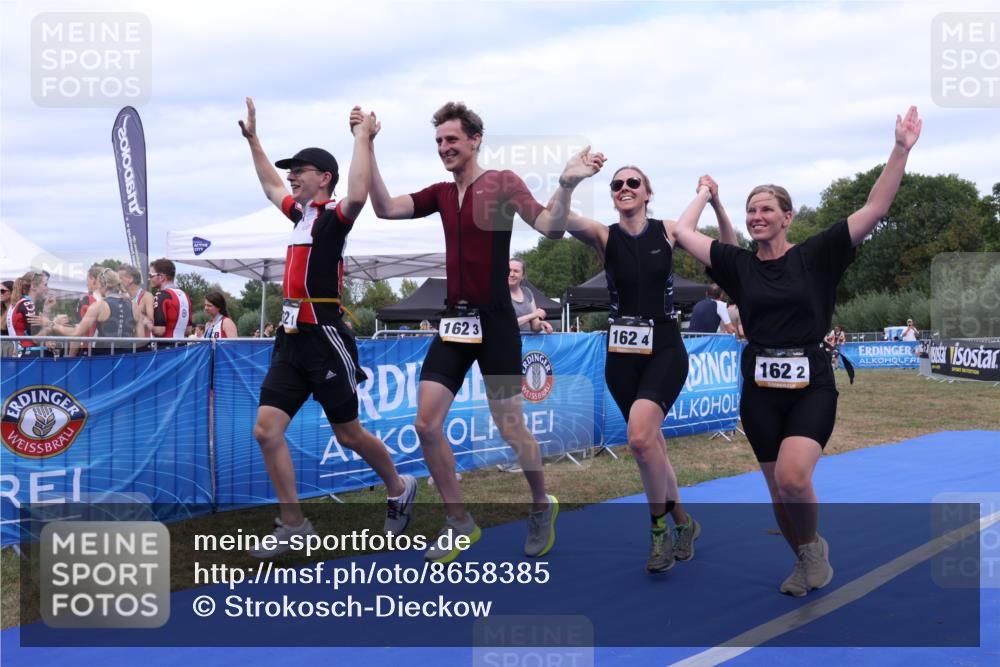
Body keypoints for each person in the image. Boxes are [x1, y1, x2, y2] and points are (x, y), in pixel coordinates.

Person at [672, 106, 922, 596]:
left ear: (787, 217)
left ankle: (811, 551)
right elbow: (682, 232)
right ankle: (808, 557)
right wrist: (705, 194)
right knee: (777, 492)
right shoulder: (739, 265)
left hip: (811, 384)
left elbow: (875, 208)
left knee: (792, 478)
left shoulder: (816, 255)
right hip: (760, 391)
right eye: (751, 210)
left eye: (767, 209)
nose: (757, 217)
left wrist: (900, 149)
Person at [368, 101, 602, 563]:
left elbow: (549, 228)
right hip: (454, 322)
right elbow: (384, 207)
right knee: (425, 424)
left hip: (496, 323)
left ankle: (541, 503)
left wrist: (566, 184)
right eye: (439, 141)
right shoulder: (440, 193)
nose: (444, 148)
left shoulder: (502, 183)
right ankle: (459, 521)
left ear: (475, 140)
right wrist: (368, 144)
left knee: (511, 426)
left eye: (452, 139)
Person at [239, 96, 416, 557]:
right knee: (266, 431)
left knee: (348, 434)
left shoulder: (334, 218)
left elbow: (359, 194)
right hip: (290, 341)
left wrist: (361, 137)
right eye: (291, 171)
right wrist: (254, 140)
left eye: (300, 170)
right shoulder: (300, 216)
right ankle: (294, 524)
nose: (291, 176)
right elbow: (268, 183)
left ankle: (399, 487)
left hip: (325, 339)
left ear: (325, 178)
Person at [564, 171, 736, 571]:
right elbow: (556, 221)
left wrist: (711, 199)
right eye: (617, 185)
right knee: (650, 446)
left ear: (647, 193)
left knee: (640, 439)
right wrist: (569, 181)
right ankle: (684, 523)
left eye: (632, 183)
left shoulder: (670, 230)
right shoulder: (603, 236)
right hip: (621, 354)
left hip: (664, 348)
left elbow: (727, 251)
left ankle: (659, 531)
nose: (624, 188)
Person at [51, 268, 144, 354]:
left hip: (102, 359)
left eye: (98, 285)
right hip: (126, 359)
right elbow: (140, 340)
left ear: (102, 285)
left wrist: (53, 325)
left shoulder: (99, 306)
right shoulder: (134, 305)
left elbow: (76, 333)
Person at [7, 271, 56, 357]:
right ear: (33, 286)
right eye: (45, 285)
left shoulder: (22, 302)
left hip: (24, 353)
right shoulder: (28, 305)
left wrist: (46, 310)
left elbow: (38, 333)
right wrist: (52, 324)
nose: (47, 288)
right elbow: (36, 339)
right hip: (30, 354)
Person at [148, 259, 192, 346]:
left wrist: (145, 322)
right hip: (182, 348)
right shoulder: (186, 296)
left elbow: (160, 331)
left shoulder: (161, 295)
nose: (149, 278)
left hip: (165, 349)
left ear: (161, 277)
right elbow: (188, 330)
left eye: (151, 275)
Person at [509, 258, 552, 334]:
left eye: (516, 271)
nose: (511, 274)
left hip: (528, 340)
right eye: (508, 270)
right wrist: (533, 315)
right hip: (508, 340)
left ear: (523, 275)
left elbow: (535, 325)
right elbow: (505, 324)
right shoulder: (498, 294)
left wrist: (541, 324)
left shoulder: (527, 292)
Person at [118, 265, 155, 337]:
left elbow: (151, 324)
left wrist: (138, 315)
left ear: (130, 279)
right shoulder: (121, 297)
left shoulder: (147, 296)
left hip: (140, 342)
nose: (118, 281)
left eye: (120, 278)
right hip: (125, 342)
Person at [1, 280, 13, 357]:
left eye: (2, 291)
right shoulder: (2, 309)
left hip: (13, 347)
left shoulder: (15, 309)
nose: (0, 293)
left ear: (11, 292)